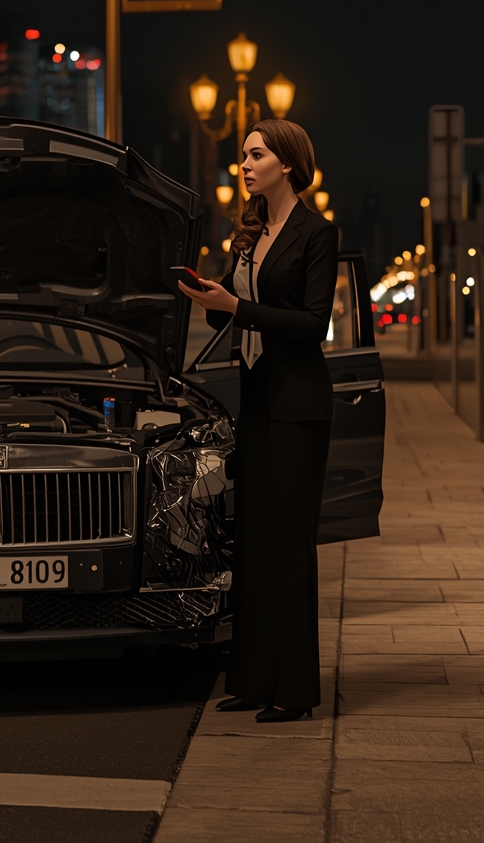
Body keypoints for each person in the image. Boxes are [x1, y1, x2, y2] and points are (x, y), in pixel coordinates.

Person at [179, 119, 338, 722]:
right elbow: (243, 316)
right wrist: (213, 298)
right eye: (242, 156)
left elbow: (312, 325)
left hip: (298, 405)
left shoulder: (316, 234)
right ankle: (251, 679)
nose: (242, 165)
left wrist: (238, 306)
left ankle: (294, 692)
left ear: (288, 165)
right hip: (258, 402)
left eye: (254, 155)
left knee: (290, 544)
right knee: (254, 541)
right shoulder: (251, 235)